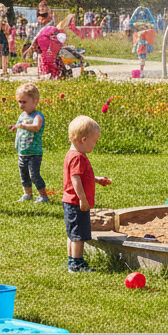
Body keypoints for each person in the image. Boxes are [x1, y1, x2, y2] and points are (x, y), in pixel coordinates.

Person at [63, 115, 111, 273]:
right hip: (76, 203)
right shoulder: (78, 157)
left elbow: (81, 176)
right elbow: (75, 179)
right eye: (94, 141)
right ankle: (77, 264)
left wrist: (96, 179)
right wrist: (82, 199)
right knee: (79, 235)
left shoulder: (71, 154)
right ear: (83, 139)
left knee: (72, 234)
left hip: (69, 201)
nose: (95, 144)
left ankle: (72, 260)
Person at [10, 82, 47, 202]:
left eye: (24, 102)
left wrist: (23, 126)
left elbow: (36, 127)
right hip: (23, 152)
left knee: (34, 175)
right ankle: (28, 194)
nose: (21, 105)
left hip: (34, 153)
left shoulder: (37, 116)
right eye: (19, 102)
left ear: (35, 101)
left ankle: (43, 195)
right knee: (24, 175)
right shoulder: (22, 116)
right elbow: (19, 131)